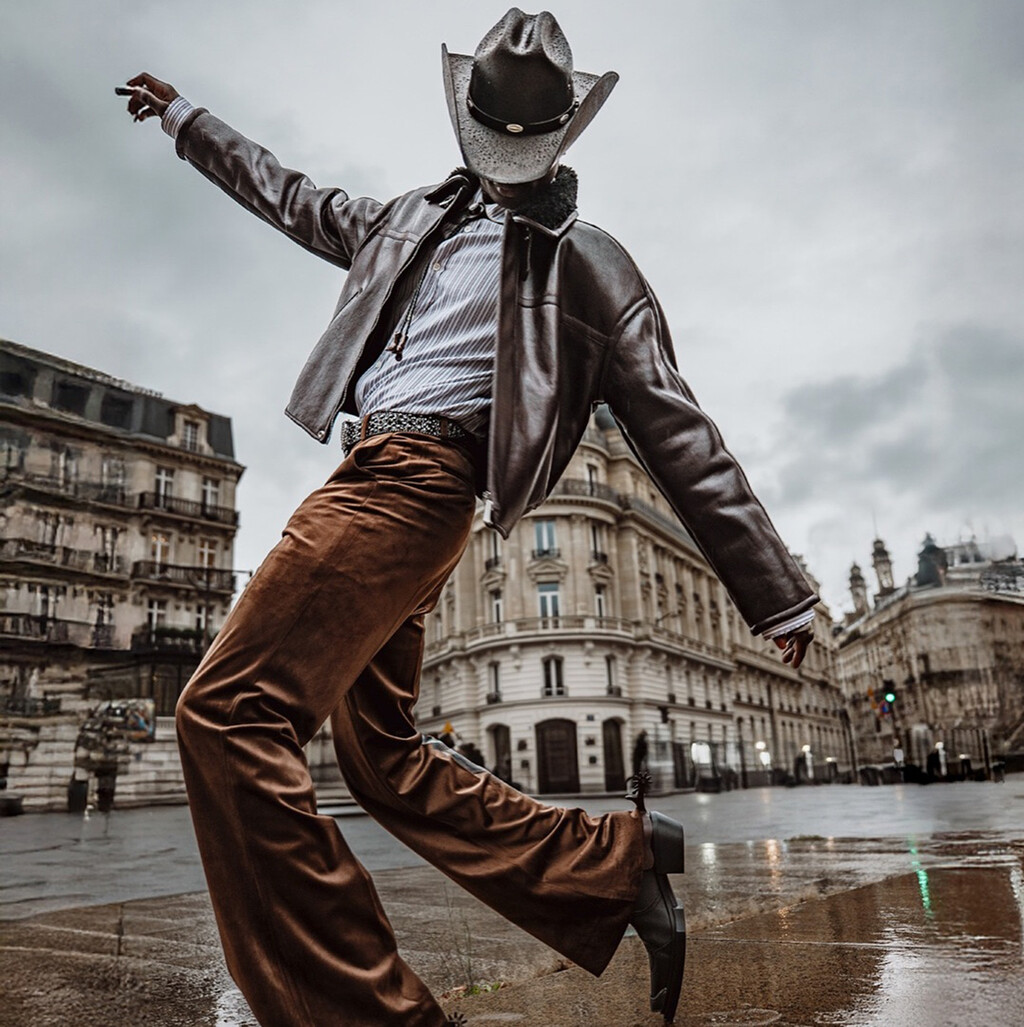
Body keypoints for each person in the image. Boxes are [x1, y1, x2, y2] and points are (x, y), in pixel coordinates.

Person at [119, 9, 815, 1026]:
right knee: (383, 755)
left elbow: (674, 422)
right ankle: (613, 869)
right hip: (383, 479)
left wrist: (776, 591)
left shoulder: (588, 262)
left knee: (227, 713)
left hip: (409, 488)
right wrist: (189, 120)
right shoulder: (411, 219)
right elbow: (292, 197)